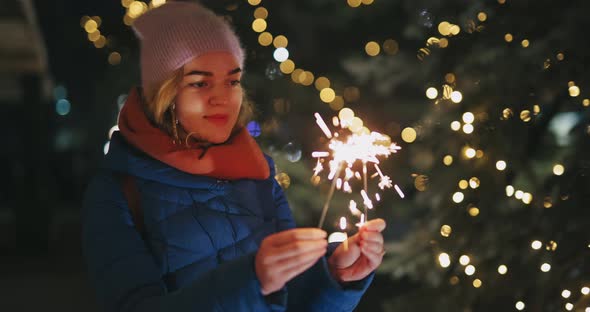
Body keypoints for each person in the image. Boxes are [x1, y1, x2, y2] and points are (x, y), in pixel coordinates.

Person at [82, 2, 386, 311]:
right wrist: (252, 280)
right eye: (200, 83)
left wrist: (334, 278)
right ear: (165, 93)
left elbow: (290, 299)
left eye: (232, 81)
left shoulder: (256, 172)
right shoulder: (117, 192)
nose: (222, 97)